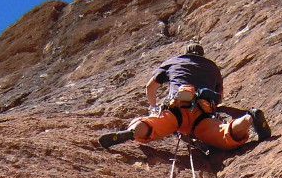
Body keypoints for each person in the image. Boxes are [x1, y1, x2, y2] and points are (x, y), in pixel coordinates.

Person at [98, 42, 271, 150]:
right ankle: (248, 118)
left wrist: (153, 108)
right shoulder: (212, 68)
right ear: (201, 55)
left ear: (185, 52)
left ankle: (132, 132)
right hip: (202, 112)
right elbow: (220, 96)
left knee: (153, 125)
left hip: (175, 109)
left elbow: (150, 86)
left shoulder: (174, 61)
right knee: (223, 135)